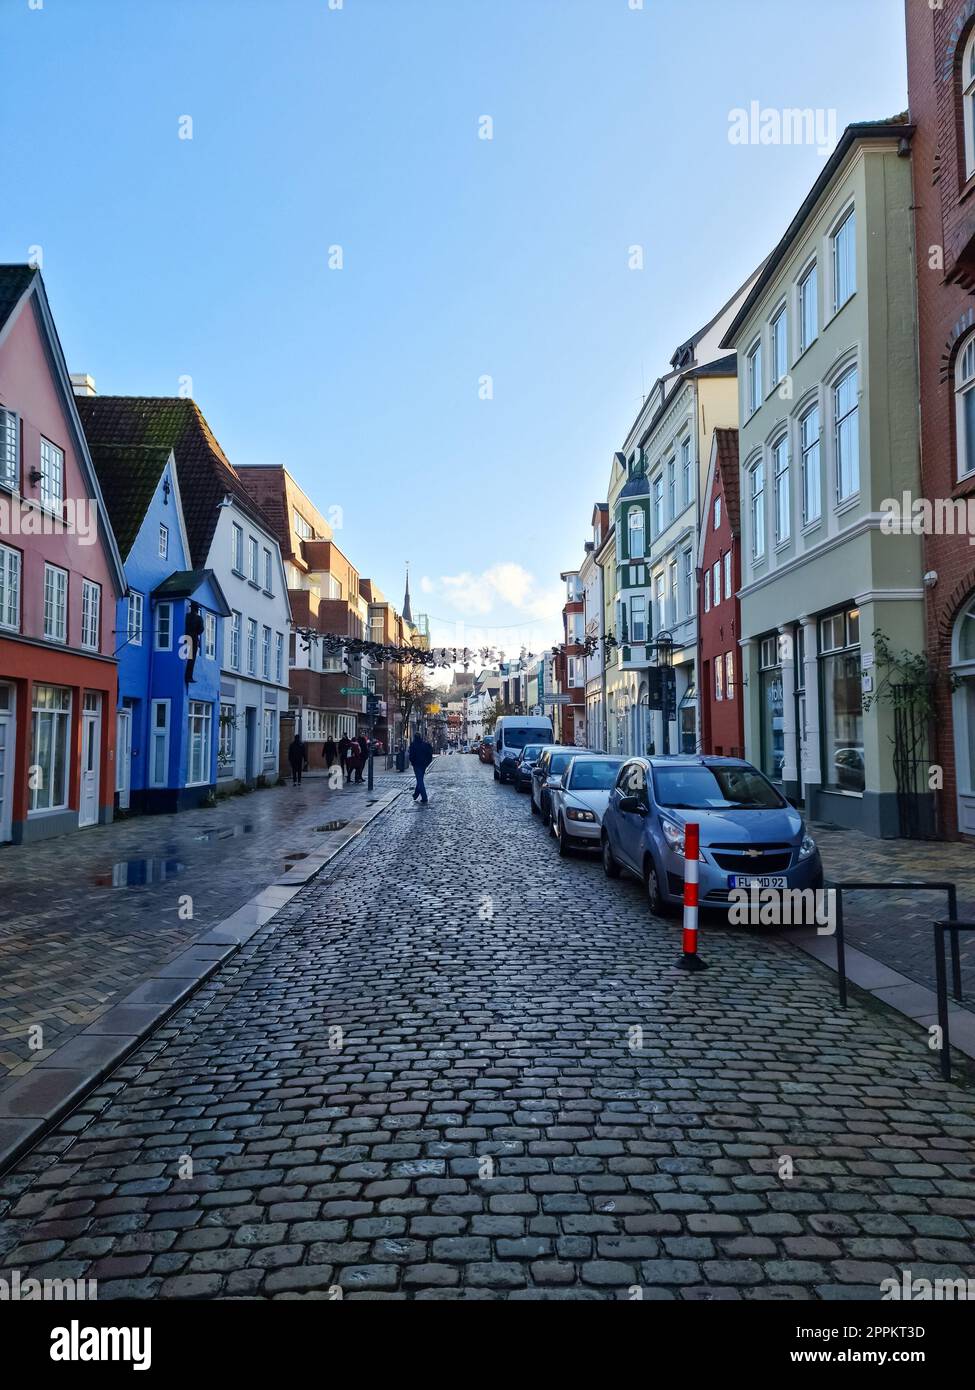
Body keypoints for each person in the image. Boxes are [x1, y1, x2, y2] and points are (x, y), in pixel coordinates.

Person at [408, 730, 434, 805]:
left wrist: (412, 762)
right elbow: (429, 755)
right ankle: (415, 795)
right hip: (423, 765)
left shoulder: (413, 745)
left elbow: (411, 756)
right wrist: (427, 763)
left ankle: (424, 797)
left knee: (420, 781)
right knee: (420, 780)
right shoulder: (425, 745)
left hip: (417, 765)